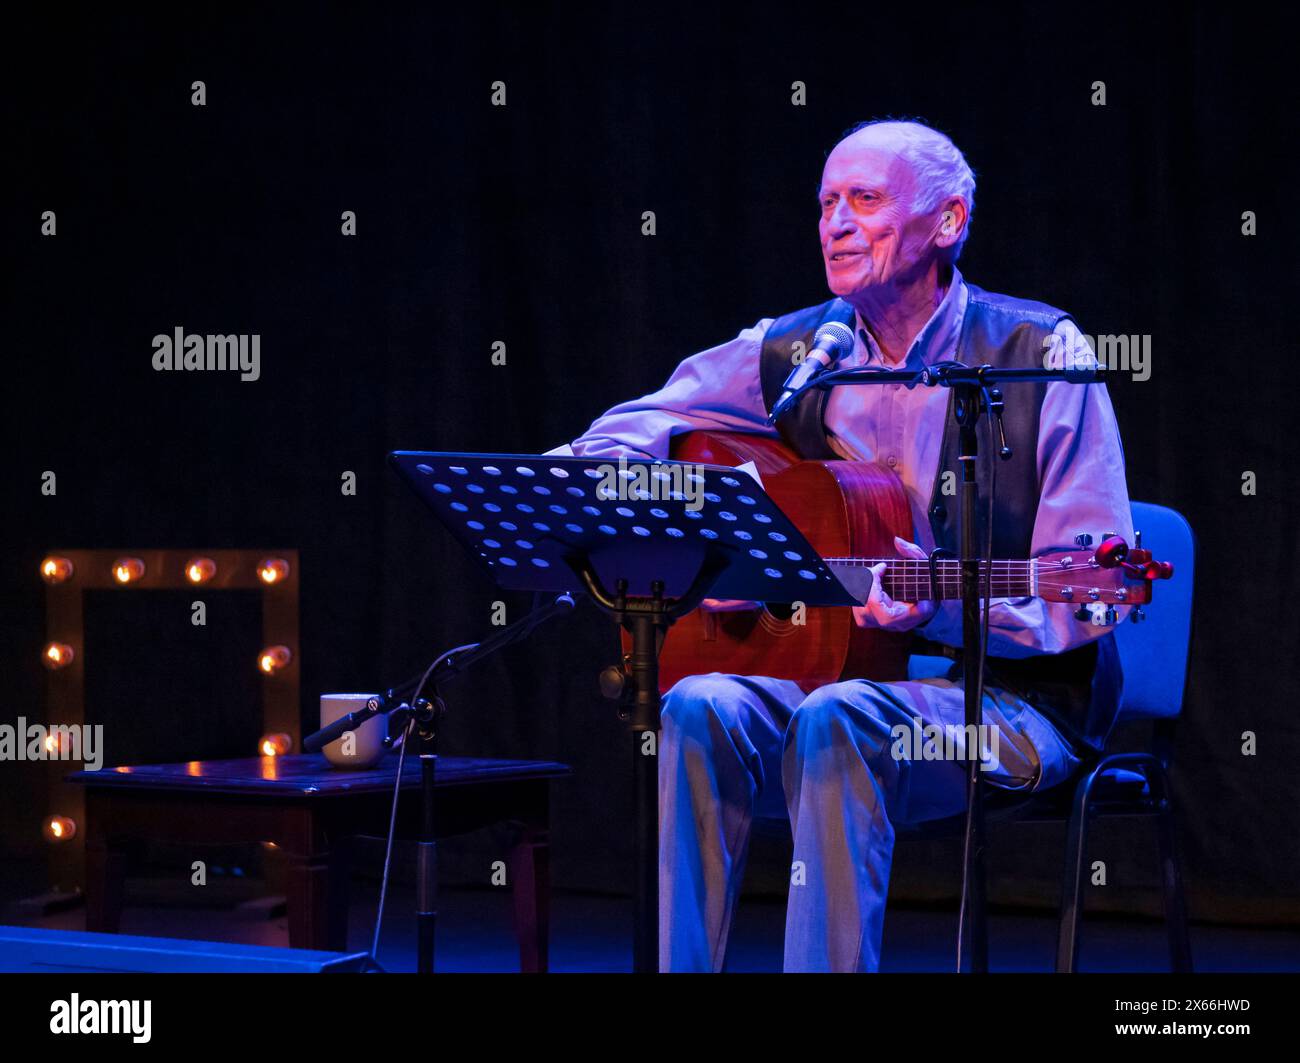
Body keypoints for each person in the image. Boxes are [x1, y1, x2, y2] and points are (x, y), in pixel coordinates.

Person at [548, 118, 1133, 972]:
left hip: (1013, 708)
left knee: (841, 716)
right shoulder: (797, 352)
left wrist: (948, 604)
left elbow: (1093, 588)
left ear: (948, 220)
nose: (836, 222)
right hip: (849, 677)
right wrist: (699, 544)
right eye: (826, 202)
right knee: (698, 702)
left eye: (865, 199)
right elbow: (631, 428)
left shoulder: (1038, 353)